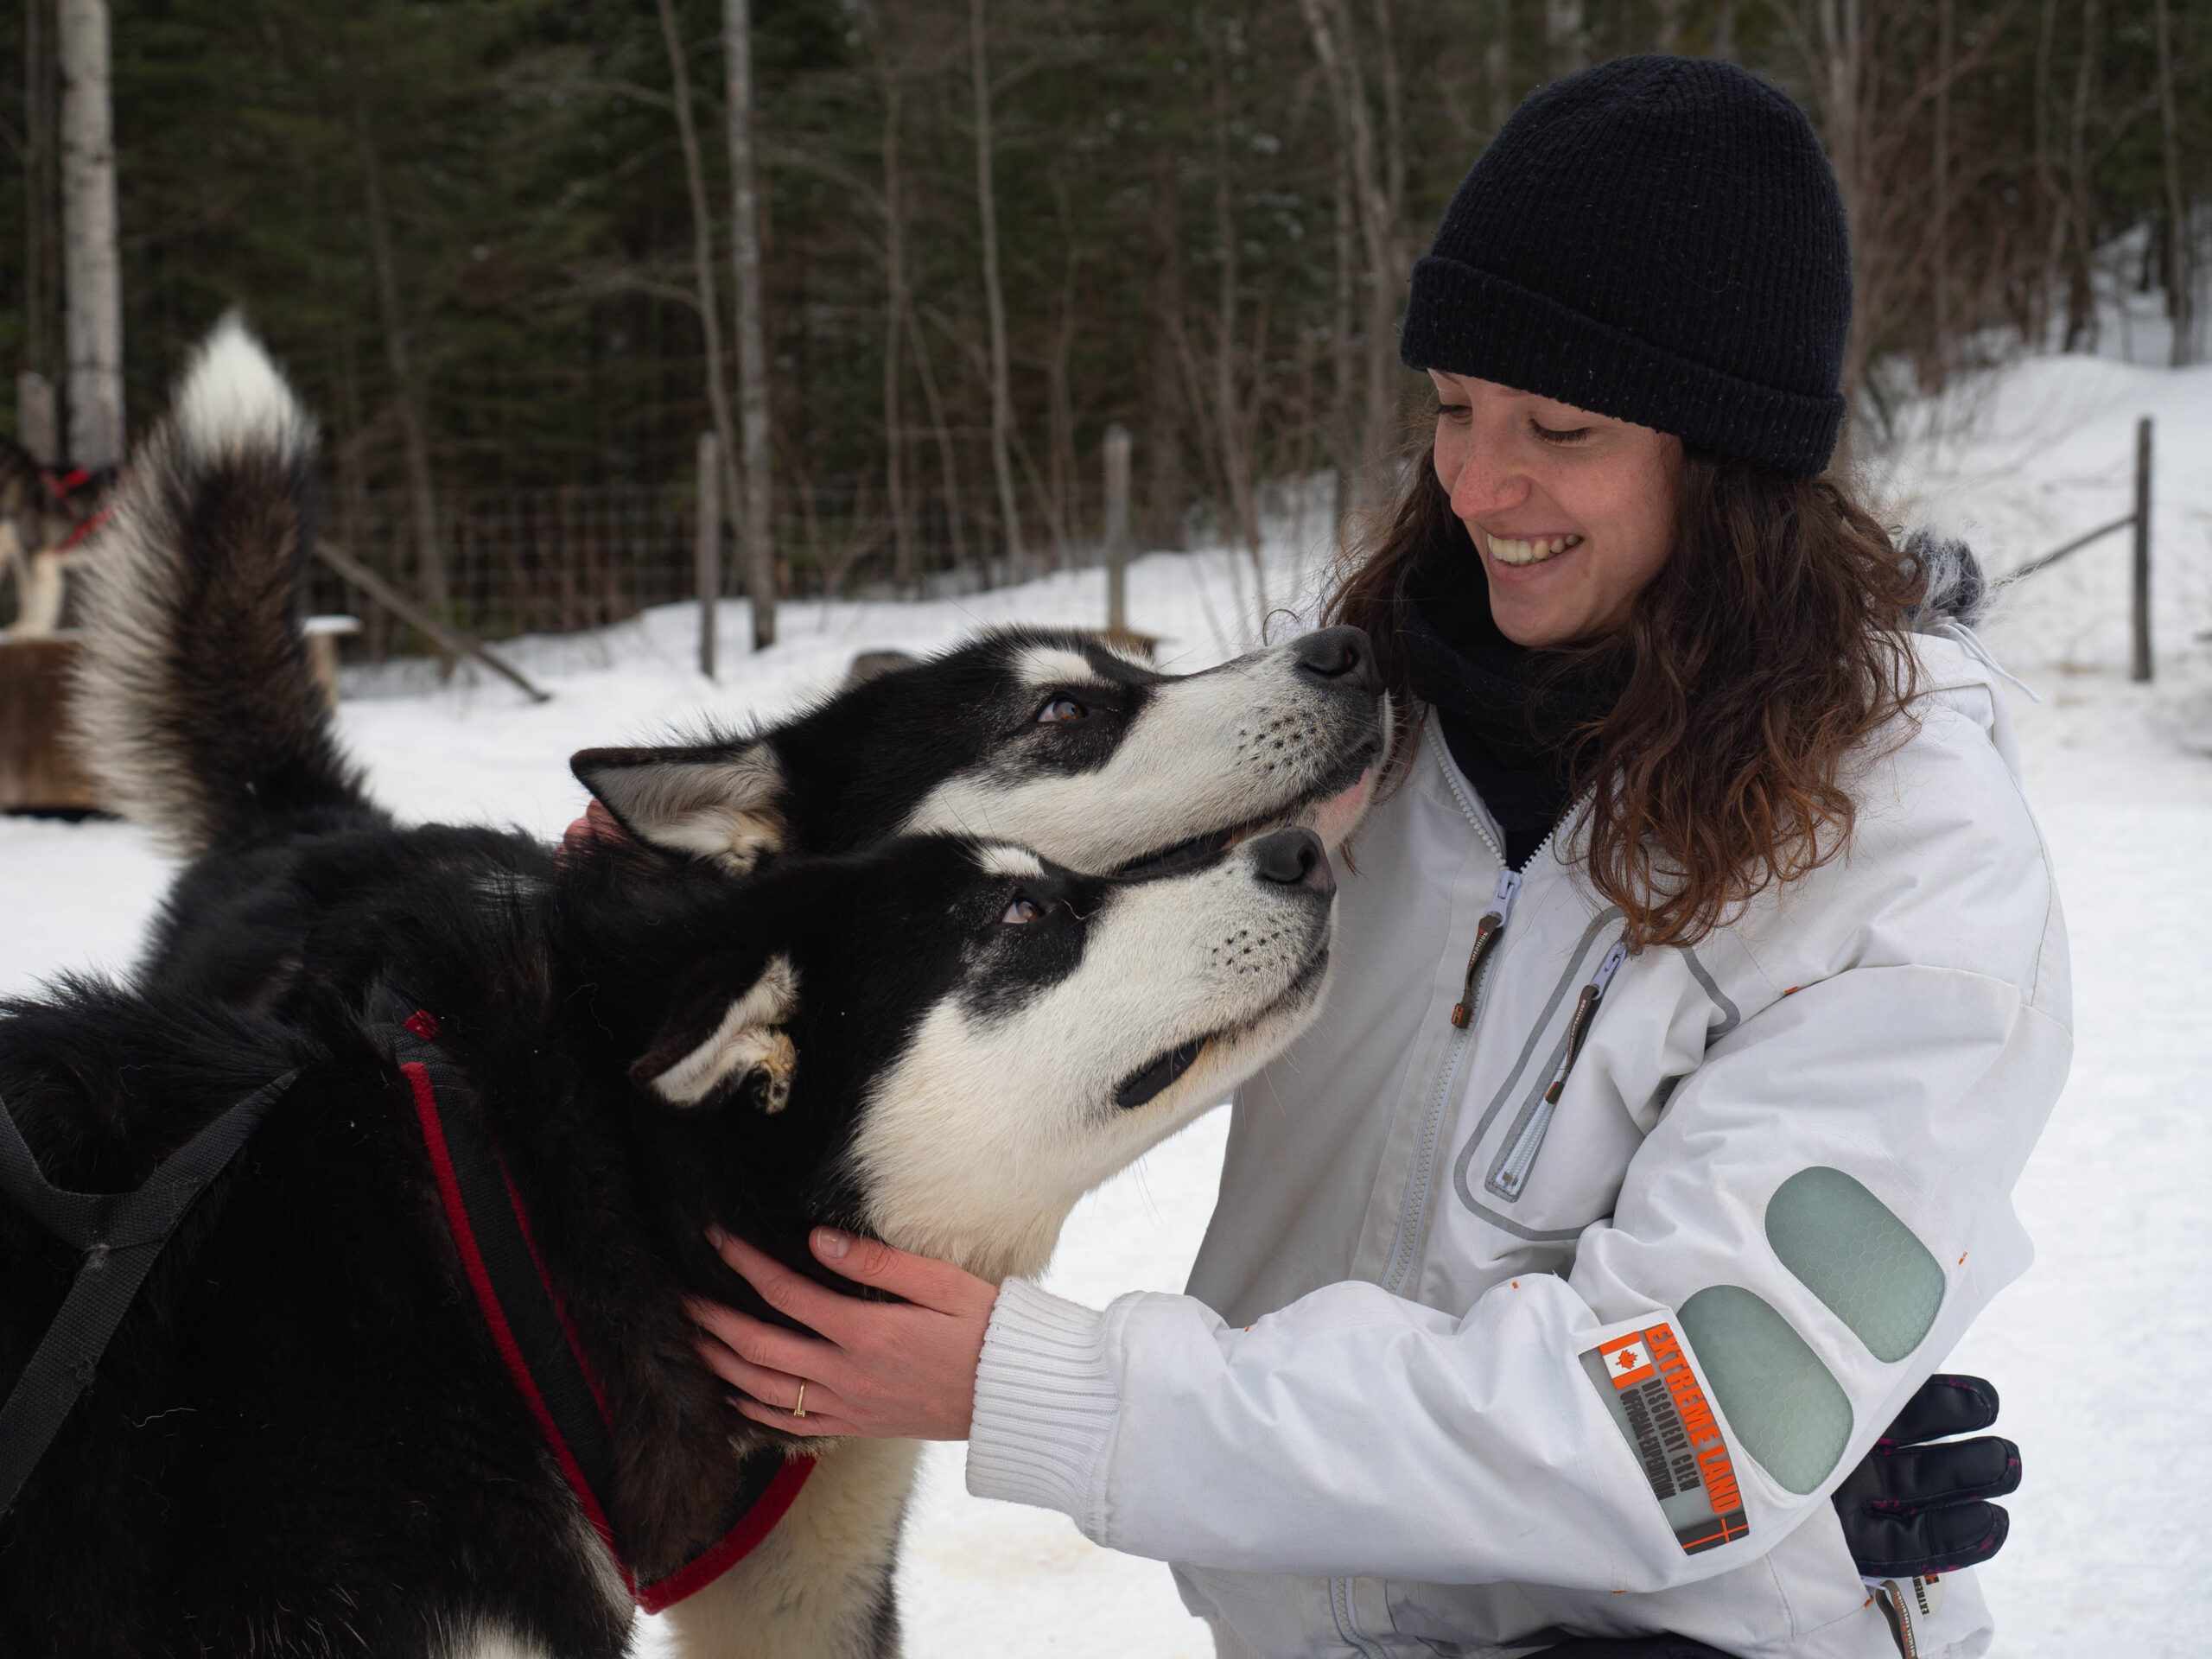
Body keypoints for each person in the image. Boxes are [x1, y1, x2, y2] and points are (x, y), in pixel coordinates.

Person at [684, 56, 2066, 1659]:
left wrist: (1043, 1388)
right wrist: (670, 886)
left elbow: (1674, 1440)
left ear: (1735, 459)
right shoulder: (1366, 733)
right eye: (1455, 409)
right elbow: (949, 848)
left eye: (1561, 425)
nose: (1480, 486)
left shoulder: (1907, 866)